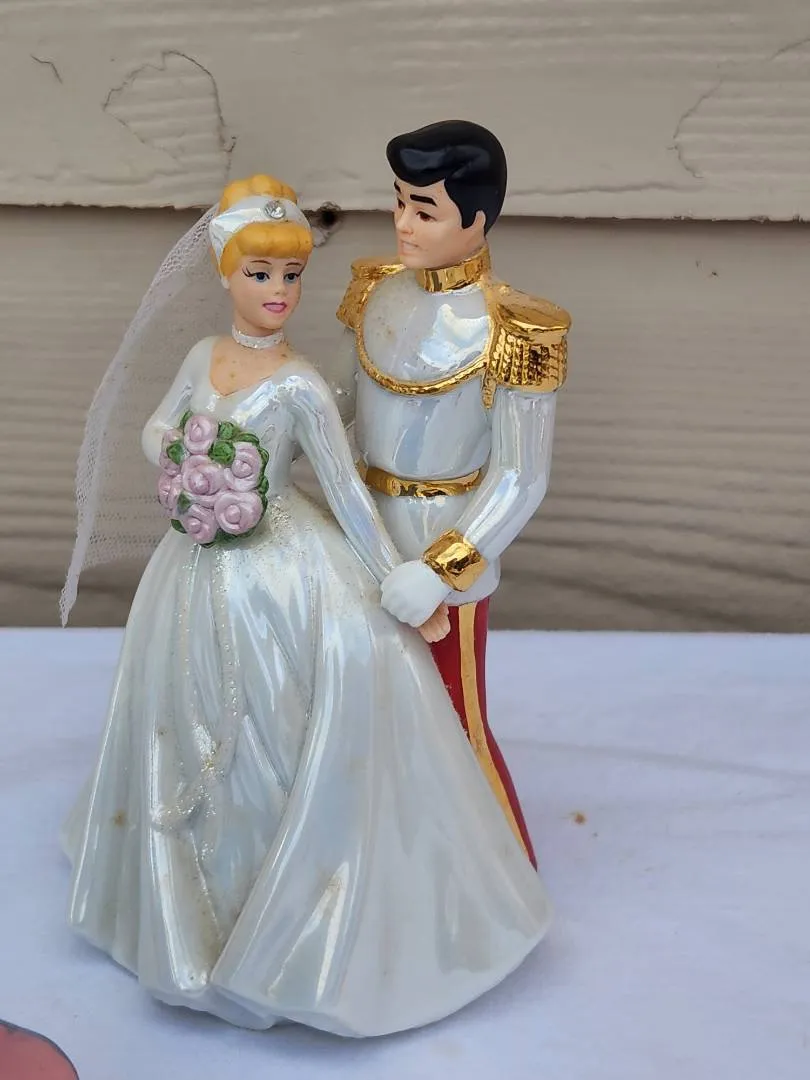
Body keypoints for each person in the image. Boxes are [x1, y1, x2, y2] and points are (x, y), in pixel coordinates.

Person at [60, 174, 552, 1038]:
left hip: (306, 563)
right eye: (261, 276)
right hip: (198, 562)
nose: (279, 292)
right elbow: (161, 425)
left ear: (475, 218)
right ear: (226, 276)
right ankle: (191, 891)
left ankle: (428, 885)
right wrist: (188, 458)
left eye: (290, 277)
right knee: (186, 704)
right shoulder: (230, 347)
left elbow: (354, 489)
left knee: (389, 714)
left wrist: (417, 577)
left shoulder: (307, 384)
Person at [338, 120, 571, 868]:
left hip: (443, 543)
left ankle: (497, 874)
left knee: (453, 716)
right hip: (360, 533)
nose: (403, 224)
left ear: (476, 218)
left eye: (425, 209)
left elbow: (522, 476)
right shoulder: (375, 291)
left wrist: (441, 569)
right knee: (361, 709)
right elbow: (344, 412)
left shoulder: (514, 330)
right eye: (399, 202)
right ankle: (382, 864)